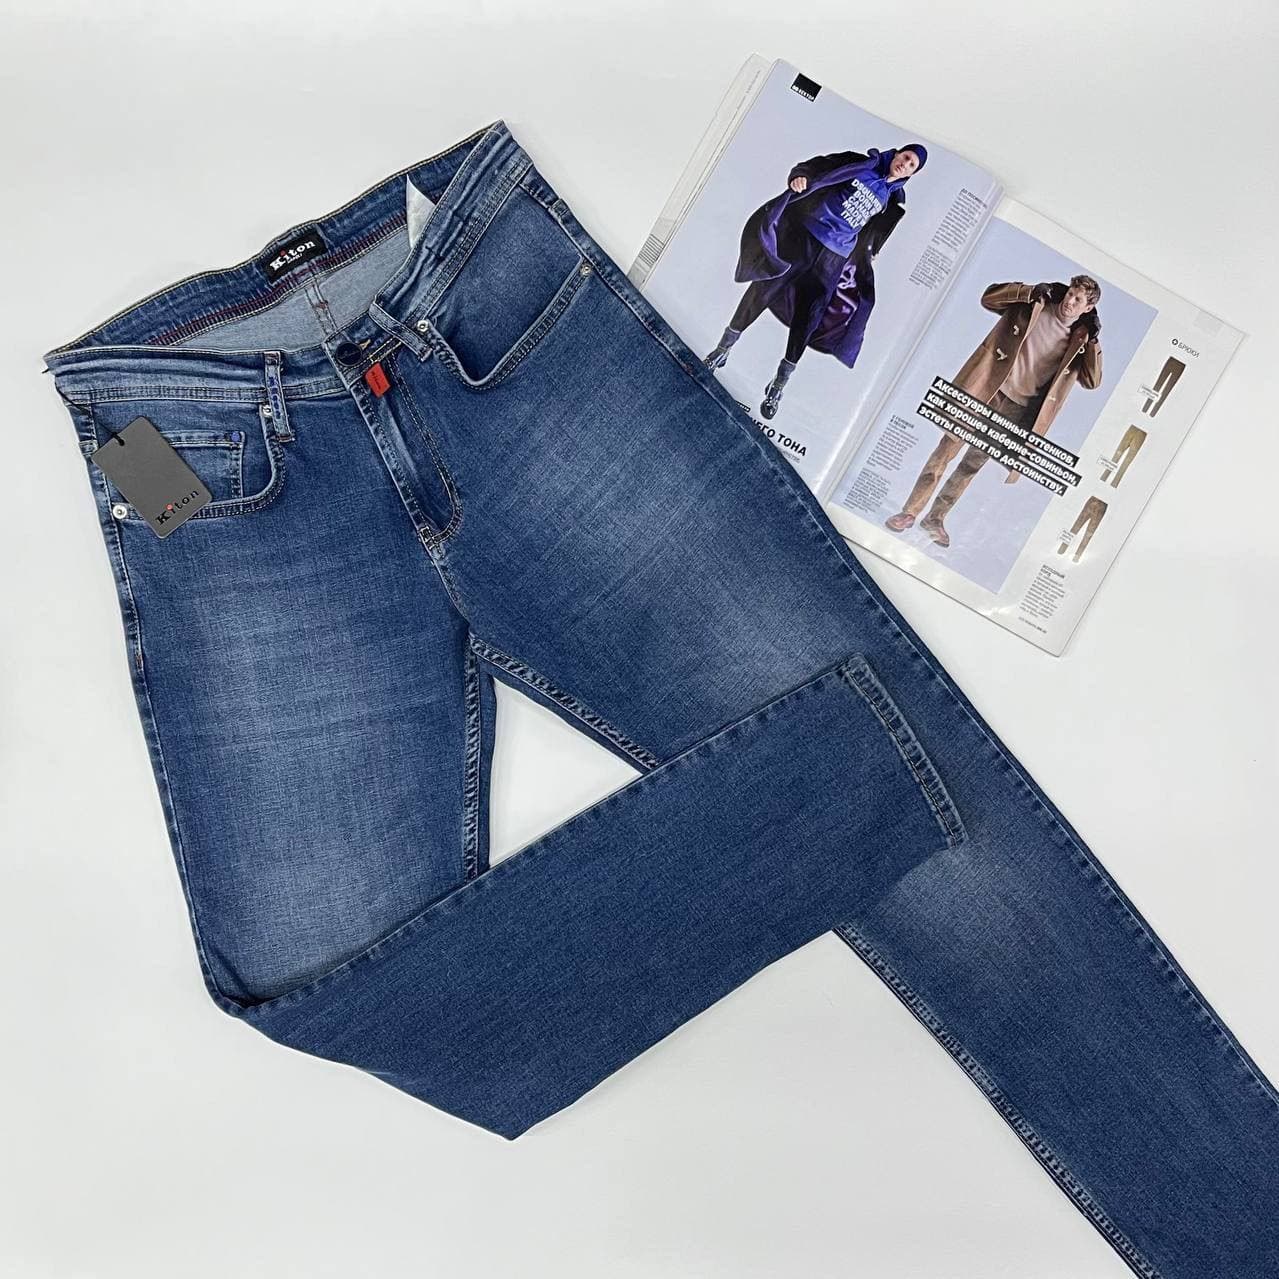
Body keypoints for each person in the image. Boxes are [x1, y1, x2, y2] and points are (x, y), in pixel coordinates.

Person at [704, 143, 927, 419]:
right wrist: (801, 177)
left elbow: (874, 234)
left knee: (808, 318)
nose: (905, 164)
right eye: (906, 157)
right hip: (805, 236)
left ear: (912, 174)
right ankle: (722, 349)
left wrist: (871, 253)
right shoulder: (858, 163)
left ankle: (779, 384)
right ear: (897, 153)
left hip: (833, 259)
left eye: (912, 165)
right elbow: (816, 166)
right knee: (763, 290)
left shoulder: (892, 201)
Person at [884, 275, 1104, 547]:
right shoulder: (1036, 303)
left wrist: (1093, 341)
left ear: (1088, 308)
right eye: (1070, 293)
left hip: (1017, 410)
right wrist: (1028, 291)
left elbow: (1092, 381)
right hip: (987, 389)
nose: (1070, 301)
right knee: (946, 449)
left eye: (1078, 300)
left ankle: (935, 519)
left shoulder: (1081, 340)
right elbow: (988, 299)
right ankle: (910, 511)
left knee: (971, 465)